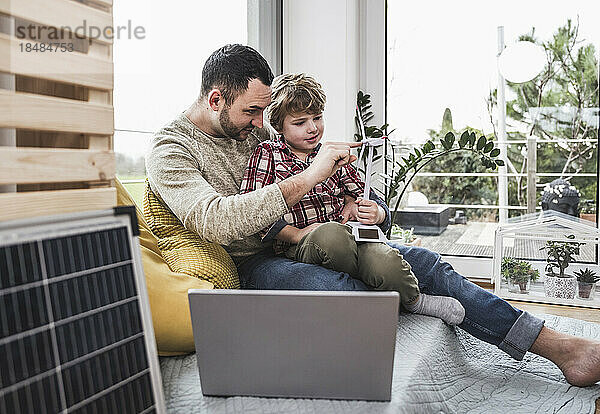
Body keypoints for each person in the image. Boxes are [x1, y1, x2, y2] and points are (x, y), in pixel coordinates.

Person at [145, 43, 600, 387]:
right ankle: (414, 300)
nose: (261, 120)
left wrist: (372, 212)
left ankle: (558, 347)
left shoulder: (259, 129)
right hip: (260, 259)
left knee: (425, 264)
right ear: (217, 98)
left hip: (327, 240)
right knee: (340, 290)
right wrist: (311, 177)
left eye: (266, 109)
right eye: (253, 110)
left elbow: (342, 190)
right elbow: (216, 221)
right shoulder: (171, 150)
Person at [239, 73, 465, 325]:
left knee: (387, 261)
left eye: (317, 118)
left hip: (351, 238)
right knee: (332, 236)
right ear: (279, 126)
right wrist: (297, 235)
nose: (313, 128)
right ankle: (367, 294)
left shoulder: (332, 153)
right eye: (300, 122)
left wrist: (372, 211)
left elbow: (364, 196)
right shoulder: (267, 153)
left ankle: (415, 302)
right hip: (301, 244)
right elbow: (254, 211)